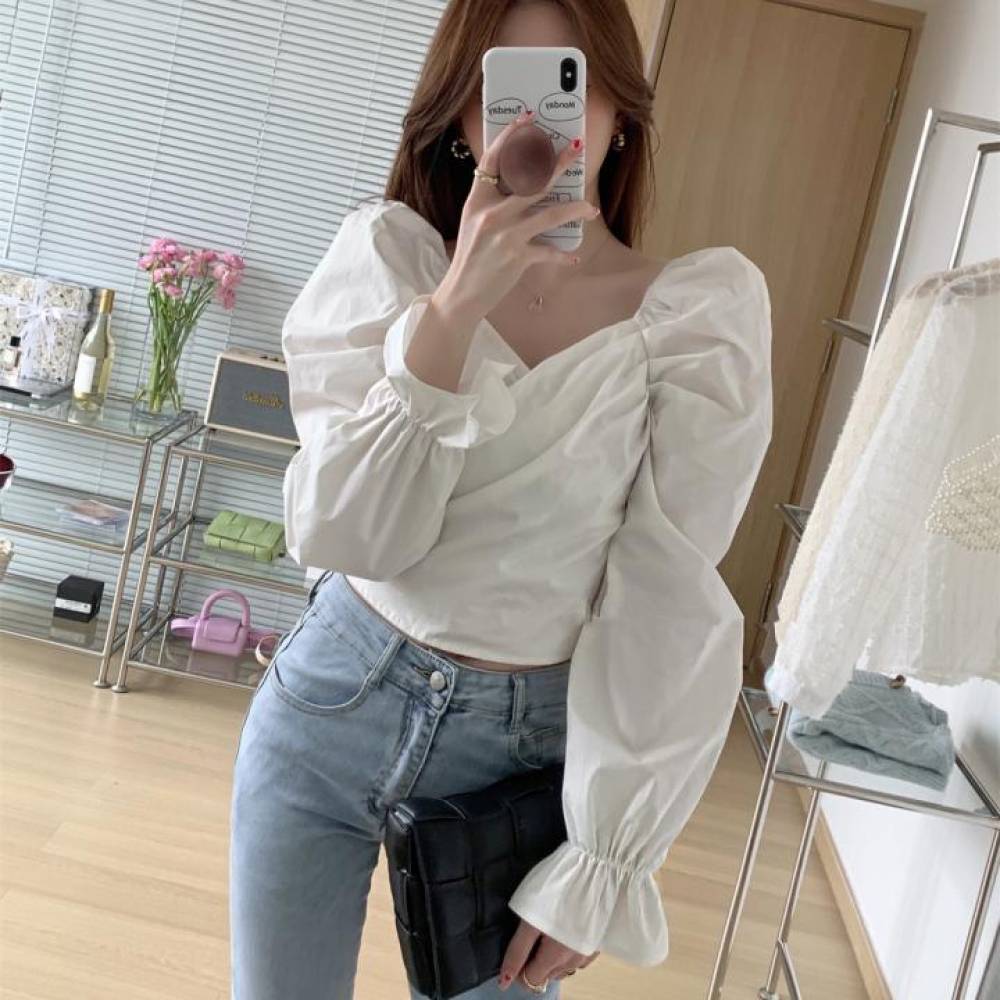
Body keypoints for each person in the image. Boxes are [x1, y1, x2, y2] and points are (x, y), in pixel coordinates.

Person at [229, 1, 773, 997]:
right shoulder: (392, 262)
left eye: (564, 80)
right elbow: (347, 534)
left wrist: (606, 857)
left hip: (523, 752)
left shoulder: (695, 318)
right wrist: (454, 310)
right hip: (333, 698)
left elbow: (666, 592)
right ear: (457, 119)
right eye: (496, 89)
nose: (529, 122)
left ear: (620, 108)